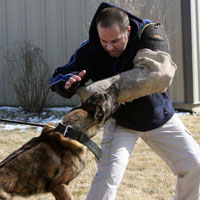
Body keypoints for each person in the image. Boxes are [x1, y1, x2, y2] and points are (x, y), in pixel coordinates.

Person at [50, 2, 200, 200]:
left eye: (115, 41)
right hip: (120, 122)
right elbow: (60, 76)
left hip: (158, 117)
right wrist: (67, 83)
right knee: (107, 179)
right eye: (104, 41)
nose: (109, 47)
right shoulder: (91, 48)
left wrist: (94, 91)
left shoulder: (148, 35)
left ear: (128, 30)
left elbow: (158, 75)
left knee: (194, 166)